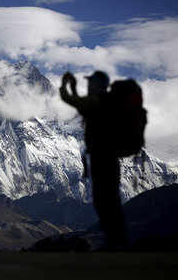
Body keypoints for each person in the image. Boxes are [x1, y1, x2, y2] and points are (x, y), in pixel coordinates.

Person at [60, 71, 127, 249]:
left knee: (103, 202)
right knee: (111, 201)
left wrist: (65, 85)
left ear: (98, 85)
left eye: (91, 83)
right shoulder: (108, 102)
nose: (88, 86)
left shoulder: (96, 102)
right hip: (110, 159)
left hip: (101, 159)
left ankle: (114, 243)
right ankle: (117, 242)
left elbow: (71, 101)